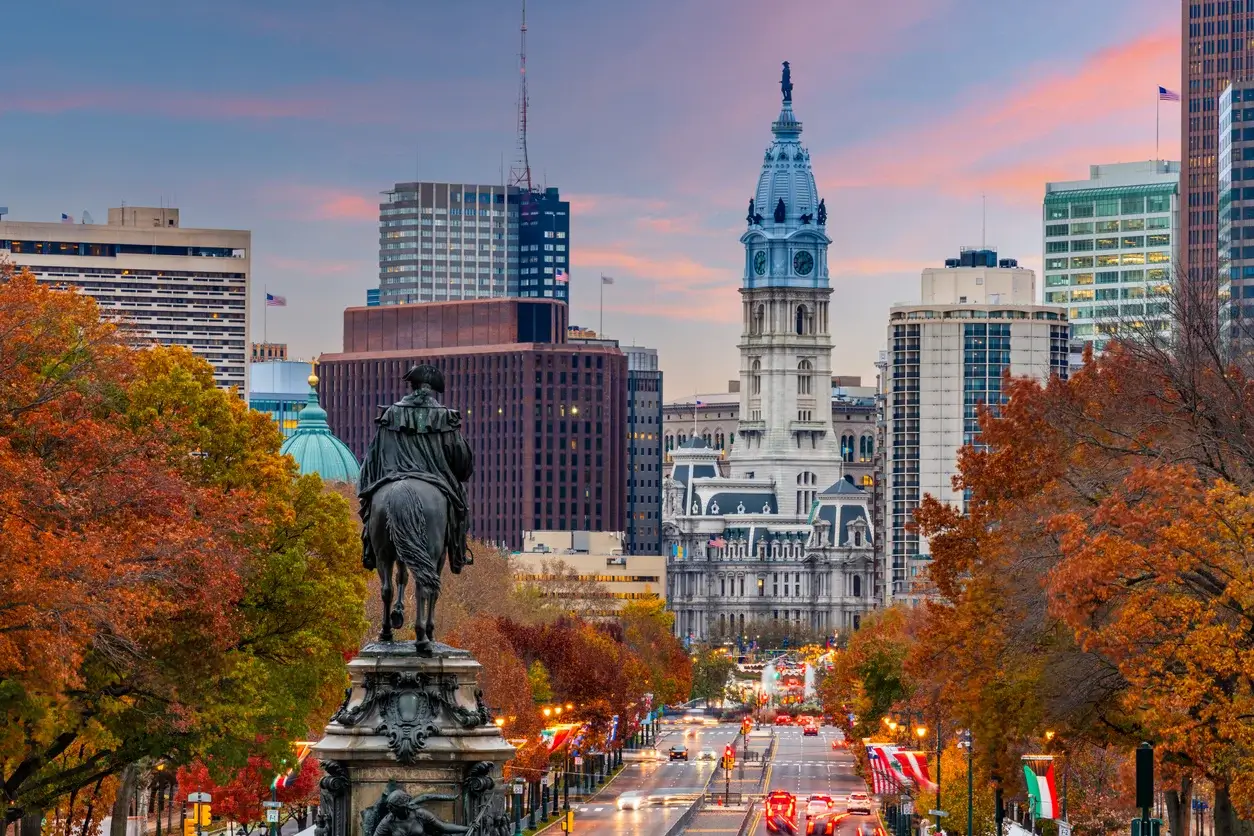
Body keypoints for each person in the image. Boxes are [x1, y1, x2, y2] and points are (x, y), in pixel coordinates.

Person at [357, 364, 473, 575]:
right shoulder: (446, 416)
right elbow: (461, 458)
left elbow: (372, 456)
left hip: (392, 475)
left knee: (373, 504)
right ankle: (459, 553)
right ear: (431, 389)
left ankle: (369, 548)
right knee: (461, 507)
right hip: (435, 477)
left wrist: (367, 488)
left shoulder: (391, 413)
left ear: (412, 387)